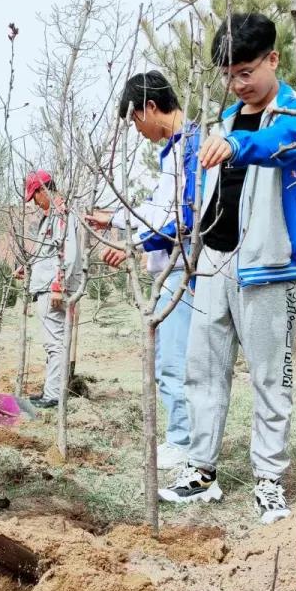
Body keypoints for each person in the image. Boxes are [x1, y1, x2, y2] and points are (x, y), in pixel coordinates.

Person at [158, 13, 296, 522]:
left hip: (268, 267)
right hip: (215, 265)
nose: (237, 83)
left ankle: (268, 478)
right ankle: (201, 469)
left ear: (273, 60)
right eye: (229, 74)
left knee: (270, 378)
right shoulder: (223, 118)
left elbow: (277, 146)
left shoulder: (294, 116)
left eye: (245, 71)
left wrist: (240, 146)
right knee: (204, 371)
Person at [86, 71, 199, 470]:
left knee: (175, 362)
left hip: (183, 274)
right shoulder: (172, 153)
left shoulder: (192, 149)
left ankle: (184, 441)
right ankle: (181, 437)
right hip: (166, 273)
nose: (136, 129)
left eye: (134, 120)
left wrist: (132, 244)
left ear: (149, 107)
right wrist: (115, 218)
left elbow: (184, 218)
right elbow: (157, 210)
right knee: (168, 361)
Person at [22, 170, 80, 409]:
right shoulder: (51, 216)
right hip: (46, 286)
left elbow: (68, 252)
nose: (34, 201)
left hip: (52, 289)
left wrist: (58, 285)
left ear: (43, 189)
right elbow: (48, 253)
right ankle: (51, 389)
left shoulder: (61, 215)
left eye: (35, 195)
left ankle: (54, 395)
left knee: (54, 343)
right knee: (53, 342)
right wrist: (27, 268)